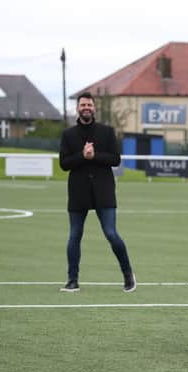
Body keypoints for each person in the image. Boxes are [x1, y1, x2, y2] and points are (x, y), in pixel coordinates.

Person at [59, 92, 136, 293]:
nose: (86, 107)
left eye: (89, 105)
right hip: (78, 193)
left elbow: (115, 159)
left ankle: (128, 275)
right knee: (74, 236)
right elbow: (64, 164)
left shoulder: (107, 132)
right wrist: (83, 157)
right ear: (77, 108)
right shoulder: (68, 135)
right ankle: (72, 280)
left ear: (94, 108)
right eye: (83, 104)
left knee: (111, 234)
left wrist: (93, 157)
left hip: (104, 192)